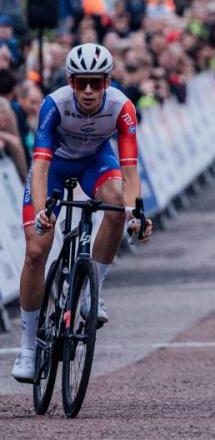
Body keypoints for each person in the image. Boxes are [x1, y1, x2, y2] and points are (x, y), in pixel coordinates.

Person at [11, 43, 153, 383]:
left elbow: (130, 170)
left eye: (96, 82)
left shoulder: (123, 107)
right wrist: (46, 211)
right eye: (80, 83)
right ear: (70, 81)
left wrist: (137, 213)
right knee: (35, 251)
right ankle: (28, 347)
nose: (88, 91)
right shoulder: (54, 104)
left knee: (117, 206)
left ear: (107, 82)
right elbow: (41, 166)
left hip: (95, 162)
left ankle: (93, 295)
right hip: (55, 166)